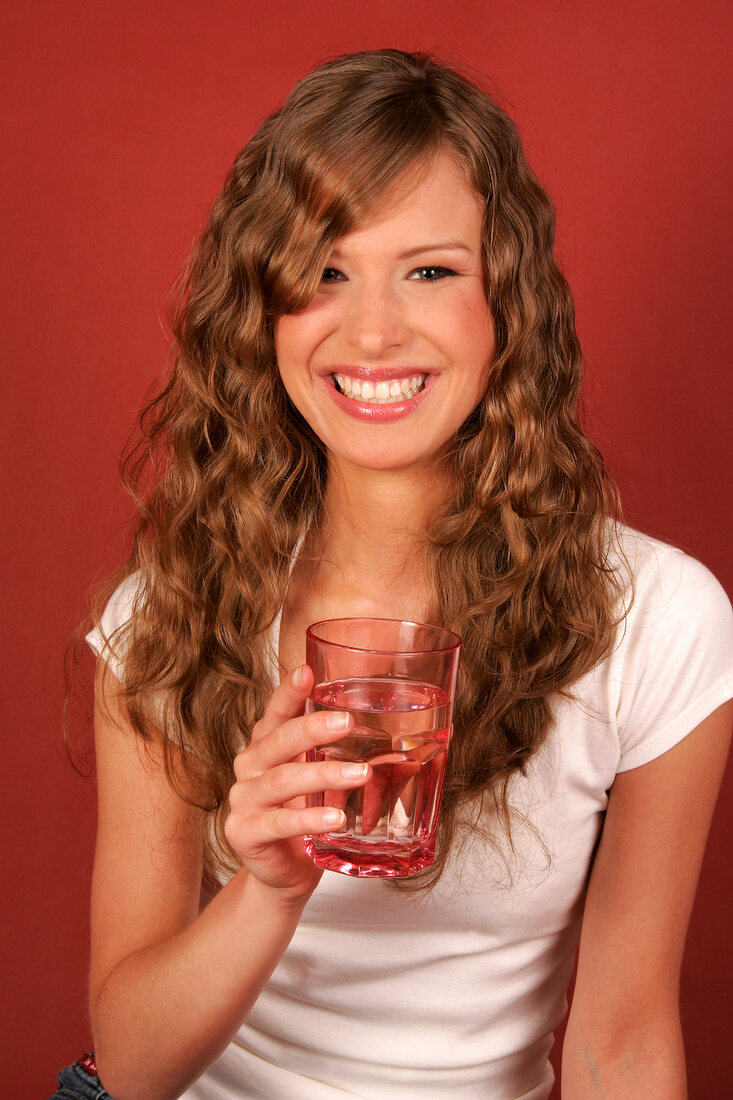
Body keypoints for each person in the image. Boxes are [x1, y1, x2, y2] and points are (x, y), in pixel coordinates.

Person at [58, 49, 733, 1100]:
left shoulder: (658, 620)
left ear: (504, 302)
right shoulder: (165, 617)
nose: (371, 329)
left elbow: (622, 1037)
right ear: (263, 310)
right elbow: (133, 1063)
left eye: (429, 270)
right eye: (324, 270)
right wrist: (268, 888)